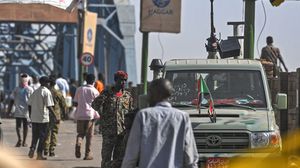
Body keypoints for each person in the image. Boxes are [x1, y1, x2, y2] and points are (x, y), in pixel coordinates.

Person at [121, 78, 199, 168]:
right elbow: (190, 156)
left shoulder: (144, 116)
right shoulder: (182, 117)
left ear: (156, 94)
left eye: (150, 93)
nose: (148, 97)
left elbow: (131, 155)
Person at [92, 70, 134, 168]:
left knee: (118, 160)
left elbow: (131, 113)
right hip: (108, 132)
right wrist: (102, 99)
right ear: (115, 80)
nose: (123, 82)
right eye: (121, 80)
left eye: (125, 80)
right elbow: (94, 106)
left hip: (122, 133)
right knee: (106, 158)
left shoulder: (128, 96)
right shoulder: (106, 93)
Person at [27, 76, 55, 160]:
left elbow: (29, 105)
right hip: (43, 118)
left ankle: (32, 148)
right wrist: (55, 115)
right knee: (43, 137)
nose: (49, 83)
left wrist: (31, 115)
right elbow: (49, 106)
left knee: (35, 136)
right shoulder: (47, 92)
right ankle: (39, 154)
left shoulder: (35, 92)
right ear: (45, 83)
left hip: (34, 118)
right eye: (48, 82)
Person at [73, 73, 100, 160]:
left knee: (80, 134)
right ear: (93, 81)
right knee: (89, 136)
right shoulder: (95, 91)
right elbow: (98, 105)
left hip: (80, 115)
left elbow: (75, 102)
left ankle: (78, 143)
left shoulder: (79, 89)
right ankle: (87, 154)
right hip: (90, 116)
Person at [7, 73, 34, 147]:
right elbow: (33, 102)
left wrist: (8, 111)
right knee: (25, 127)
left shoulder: (16, 89)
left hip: (18, 110)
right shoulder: (30, 89)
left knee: (18, 126)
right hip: (27, 111)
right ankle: (24, 142)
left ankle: (20, 140)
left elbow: (11, 100)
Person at [44, 75, 67, 157]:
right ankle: (52, 150)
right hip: (56, 116)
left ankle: (45, 149)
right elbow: (64, 105)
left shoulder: (46, 92)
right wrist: (64, 114)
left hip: (46, 115)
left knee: (47, 132)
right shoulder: (58, 93)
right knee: (54, 132)